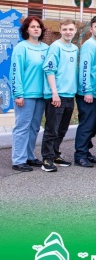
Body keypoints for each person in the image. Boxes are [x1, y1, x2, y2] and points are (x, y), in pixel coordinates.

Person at [11, 16, 49, 172]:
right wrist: (18, 94)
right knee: (22, 127)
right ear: (26, 29)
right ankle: (18, 160)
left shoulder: (46, 48)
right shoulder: (21, 48)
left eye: (38, 26)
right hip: (25, 95)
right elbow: (16, 72)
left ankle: (29, 156)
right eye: (32, 26)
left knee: (34, 128)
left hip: (41, 95)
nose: (36, 29)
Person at [40, 19, 77, 172]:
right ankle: (47, 159)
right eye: (65, 29)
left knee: (62, 129)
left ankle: (55, 154)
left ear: (75, 31)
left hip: (69, 94)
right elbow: (49, 70)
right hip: (56, 95)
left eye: (71, 29)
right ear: (60, 31)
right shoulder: (55, 47)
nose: (68, 32)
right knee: (52, 129)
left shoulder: (74, 48)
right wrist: (54, 93)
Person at [74, 15, 96, 167]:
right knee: (87, 125)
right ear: (91, 29)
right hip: (87, 93)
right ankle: (80, 155)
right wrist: (87, 90)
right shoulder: (89, 45)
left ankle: (86, 151)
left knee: (93, 125)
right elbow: (85, 68)